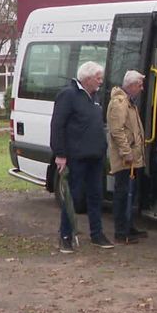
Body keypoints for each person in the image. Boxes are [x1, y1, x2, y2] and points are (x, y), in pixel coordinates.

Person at [50, 61, 113, 252]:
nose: (101, 81)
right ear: (87, 78)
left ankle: (97, 234)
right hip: (76, 156)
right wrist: (60, 154)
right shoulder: (68, 95)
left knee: (96, 196)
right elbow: (57, 125)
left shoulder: (95, 96)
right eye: (98, 78)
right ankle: (66, 235)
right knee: (73, 196)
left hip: (95, 156)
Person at [107, 69, 149, 244]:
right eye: (139, 85)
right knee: (123, 194)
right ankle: (121, 231)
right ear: (131, 86)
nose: (142, 88)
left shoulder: (129, 102)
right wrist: (127, 153)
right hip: (125, 159)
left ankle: (129, 226)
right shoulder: (120, 103)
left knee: (131, 193)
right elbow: (117, 131)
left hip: (133, 157)